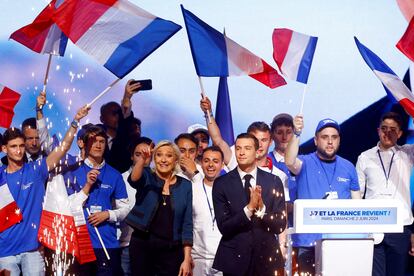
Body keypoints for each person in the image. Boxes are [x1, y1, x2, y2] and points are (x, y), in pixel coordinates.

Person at [0, 105, 90, 275]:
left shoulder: (36, 170)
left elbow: (63, 148)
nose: (18, 150)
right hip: (4, 251)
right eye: (13, 147)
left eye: (21, 146)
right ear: (5, 149)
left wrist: (75, 121)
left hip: (32, 249)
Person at [285, 115, 361, 275]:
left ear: (339, 139)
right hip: (308, 243)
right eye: (325, 137)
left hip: (339, 242)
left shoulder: (348, 167)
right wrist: (296, 134)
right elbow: (289, 161)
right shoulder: (304, 163)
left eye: (334, 137)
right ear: (315, 140)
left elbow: (357, 205)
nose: (330, 141)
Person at [212, 133, 286, 276]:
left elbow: (280, 223)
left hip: (266, 259)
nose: (241, 152)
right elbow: (224, 227)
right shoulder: (222, 183)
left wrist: (261, 210)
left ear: (257, 151)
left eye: (247, 148)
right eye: (238, 148)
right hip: (234, 260)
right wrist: (249, 209)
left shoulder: (274, 181)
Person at [356, 111, 414, 276]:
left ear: (400, 133)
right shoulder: (365, 157)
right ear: (378, 130)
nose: (387, 132)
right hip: (373, 225)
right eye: (384, 128)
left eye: (393, 129)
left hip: (400, 227)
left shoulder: (407, 154)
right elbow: (357, 195)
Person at [67, 125, 130, 275]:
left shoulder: (114, 175)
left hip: (107, 243)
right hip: (80, 244)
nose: (98, 145)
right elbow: (71, 207)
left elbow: (125, 209)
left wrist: (108, 214)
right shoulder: (73, 171)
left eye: (102, 141)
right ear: (85, 143)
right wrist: (87, 186)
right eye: (93, 141)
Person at [125, 140, 193, 276]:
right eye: (159, 155)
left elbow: (187, 224)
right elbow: (134, 179)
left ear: (176, 160)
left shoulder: (186, 185)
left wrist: (186, 258)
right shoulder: (147, 176)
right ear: (154, 158)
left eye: (168, 156)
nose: (163, 160)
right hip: (142, 247)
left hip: (172, 250)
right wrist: (142, 161)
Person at [119, 136, 154, 275]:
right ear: (132, 156)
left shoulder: (159, 179)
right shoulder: (120, 179)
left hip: (152, 244)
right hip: (126, 243)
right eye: (138, 154)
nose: (143, 158)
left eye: (147, 154)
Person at [192, 146, 224, 276]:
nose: (210, 165)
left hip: (223, 258)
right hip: (197, 258)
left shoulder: (230, 190)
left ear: (222, 165)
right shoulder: (191, 188)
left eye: (215, 161)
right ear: (201, 163)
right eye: (206, 161)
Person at [101, 80, 143, 173]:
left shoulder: (128, 142)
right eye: (114, 113)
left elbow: (125, 116)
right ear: (102, 119)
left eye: (119, 113)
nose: (118, 116)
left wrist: (127, 97)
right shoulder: (95, 137)